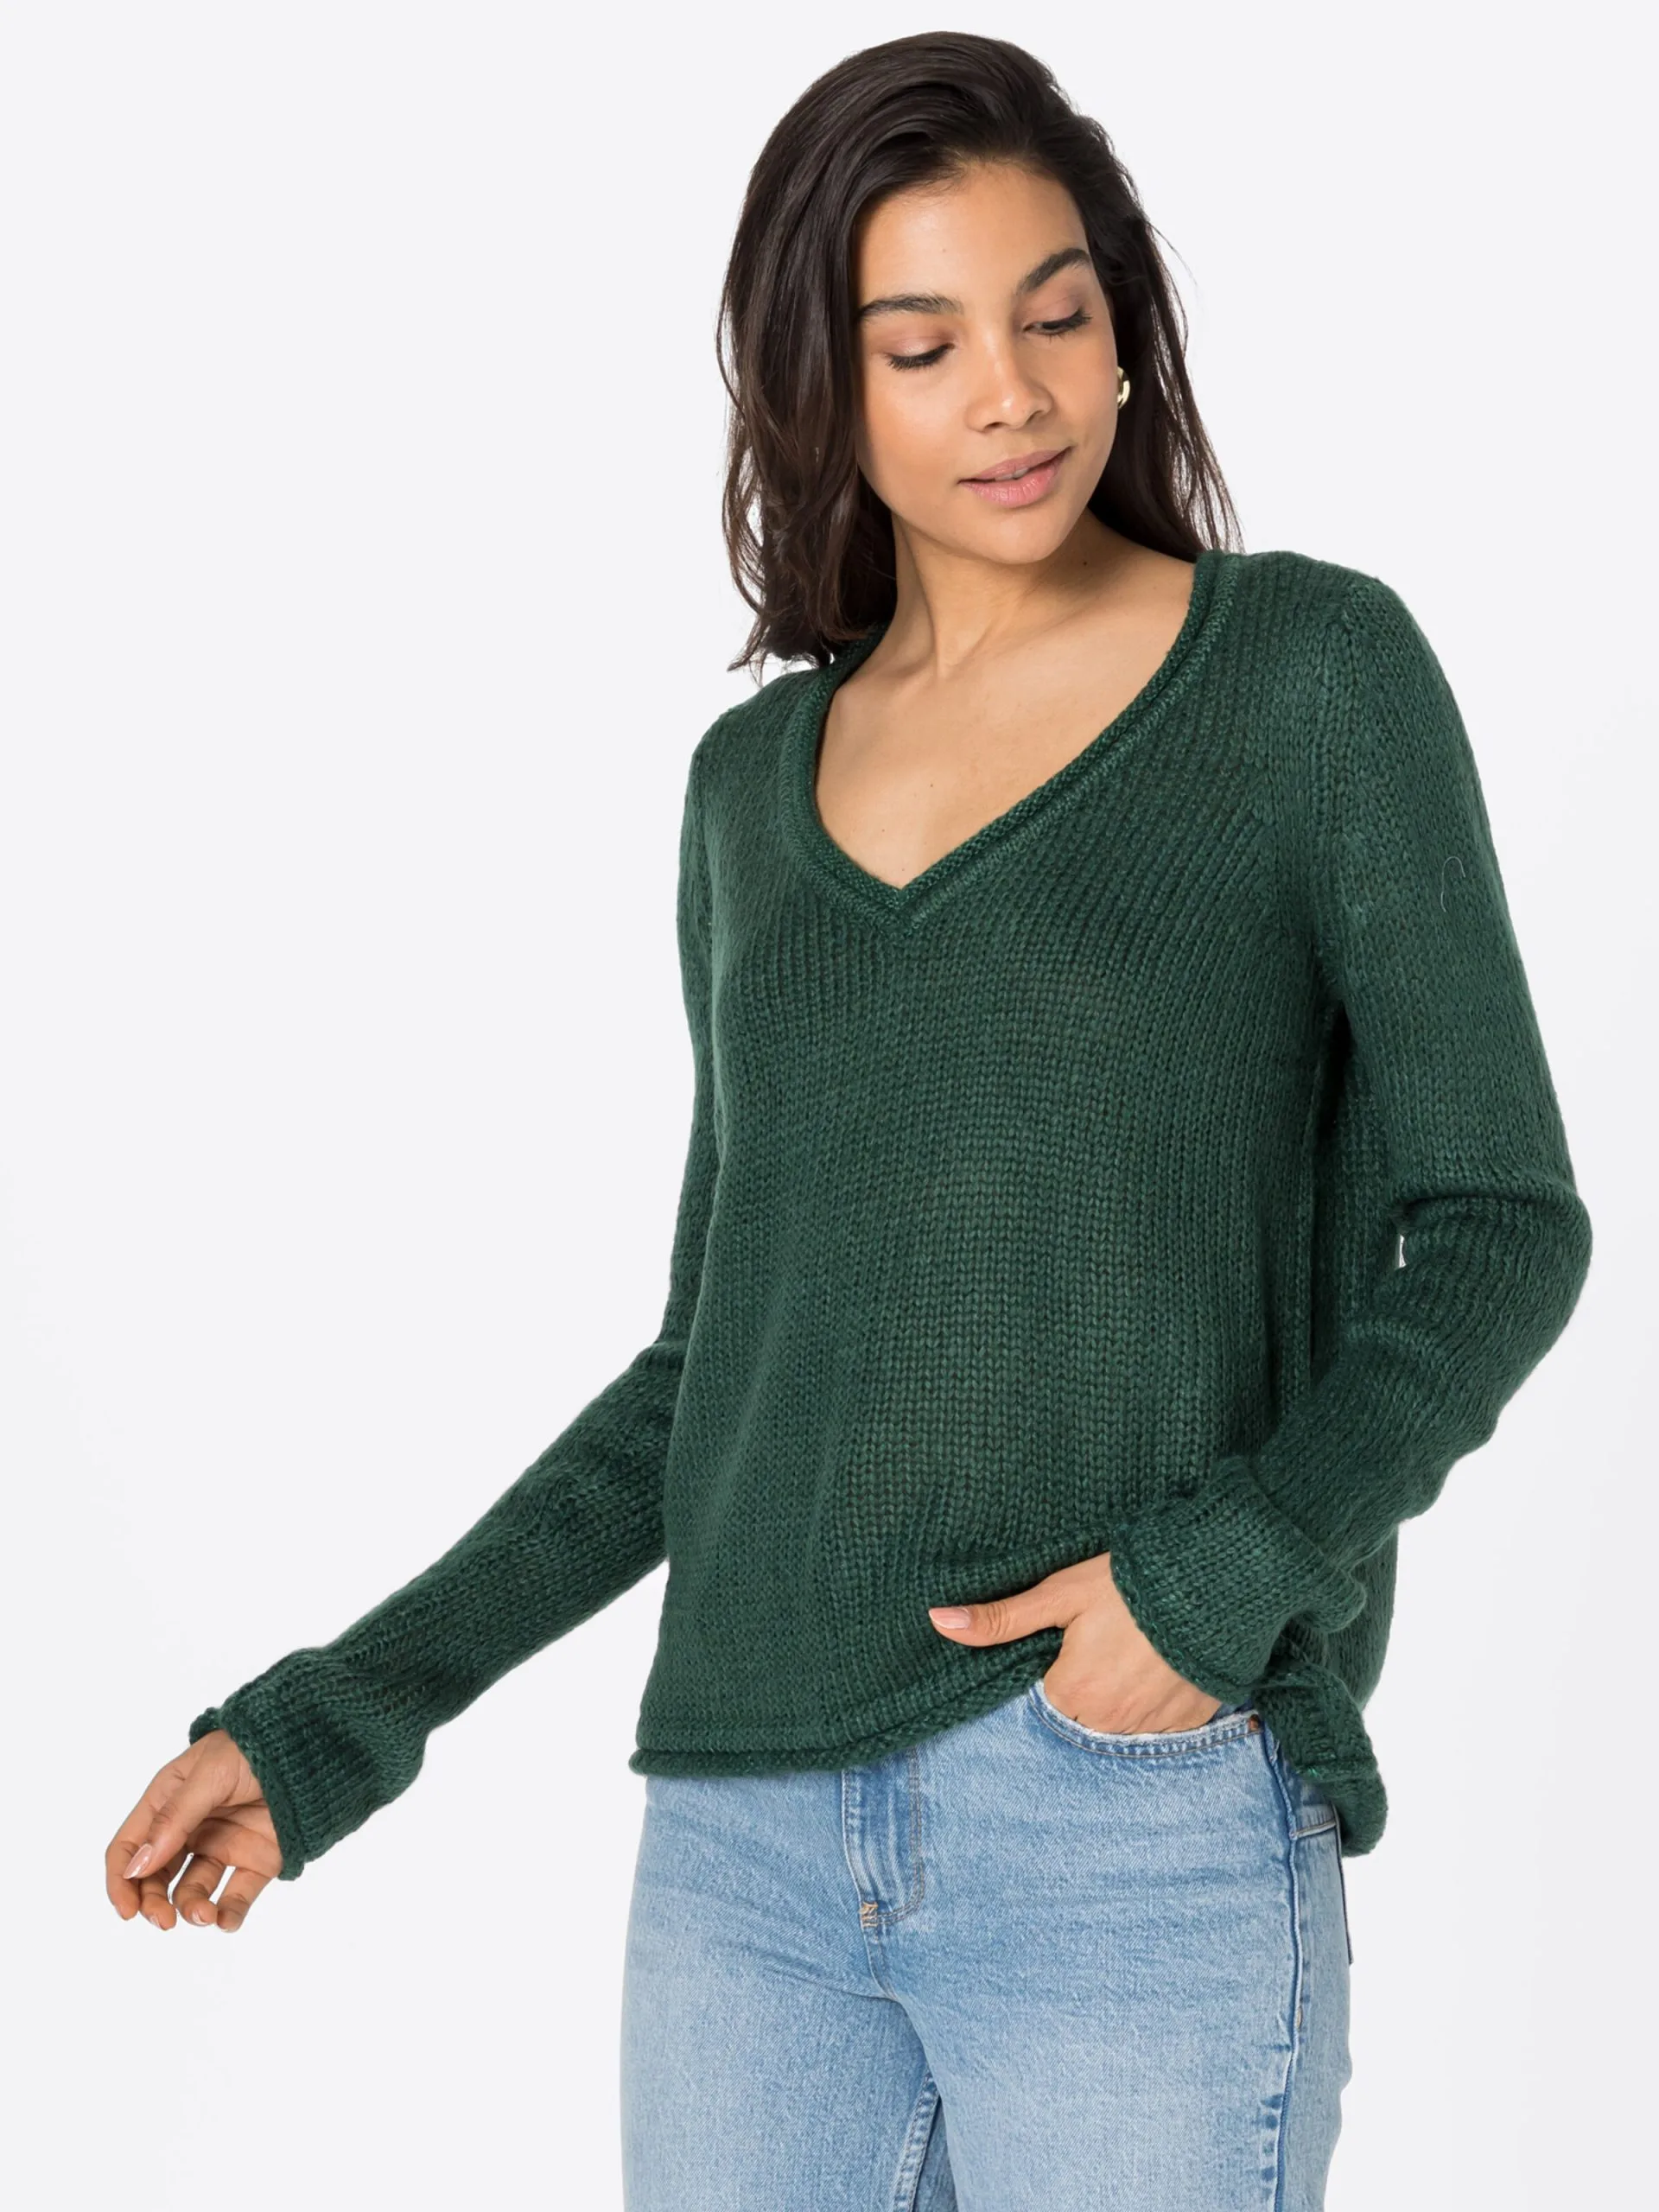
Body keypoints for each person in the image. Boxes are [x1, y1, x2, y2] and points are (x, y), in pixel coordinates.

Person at [105, 32, 1592, 2209]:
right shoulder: (747, 795)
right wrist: (340, 1716)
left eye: (1056, 314)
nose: (1010, 393)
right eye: (923, 344)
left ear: (1124, 329)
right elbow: (711, 1375)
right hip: (747, 1857)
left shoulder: (1307, 675)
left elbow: (1498, 1218)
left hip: (1130, 1808)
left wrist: (1218, 1584)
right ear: (825, 384)